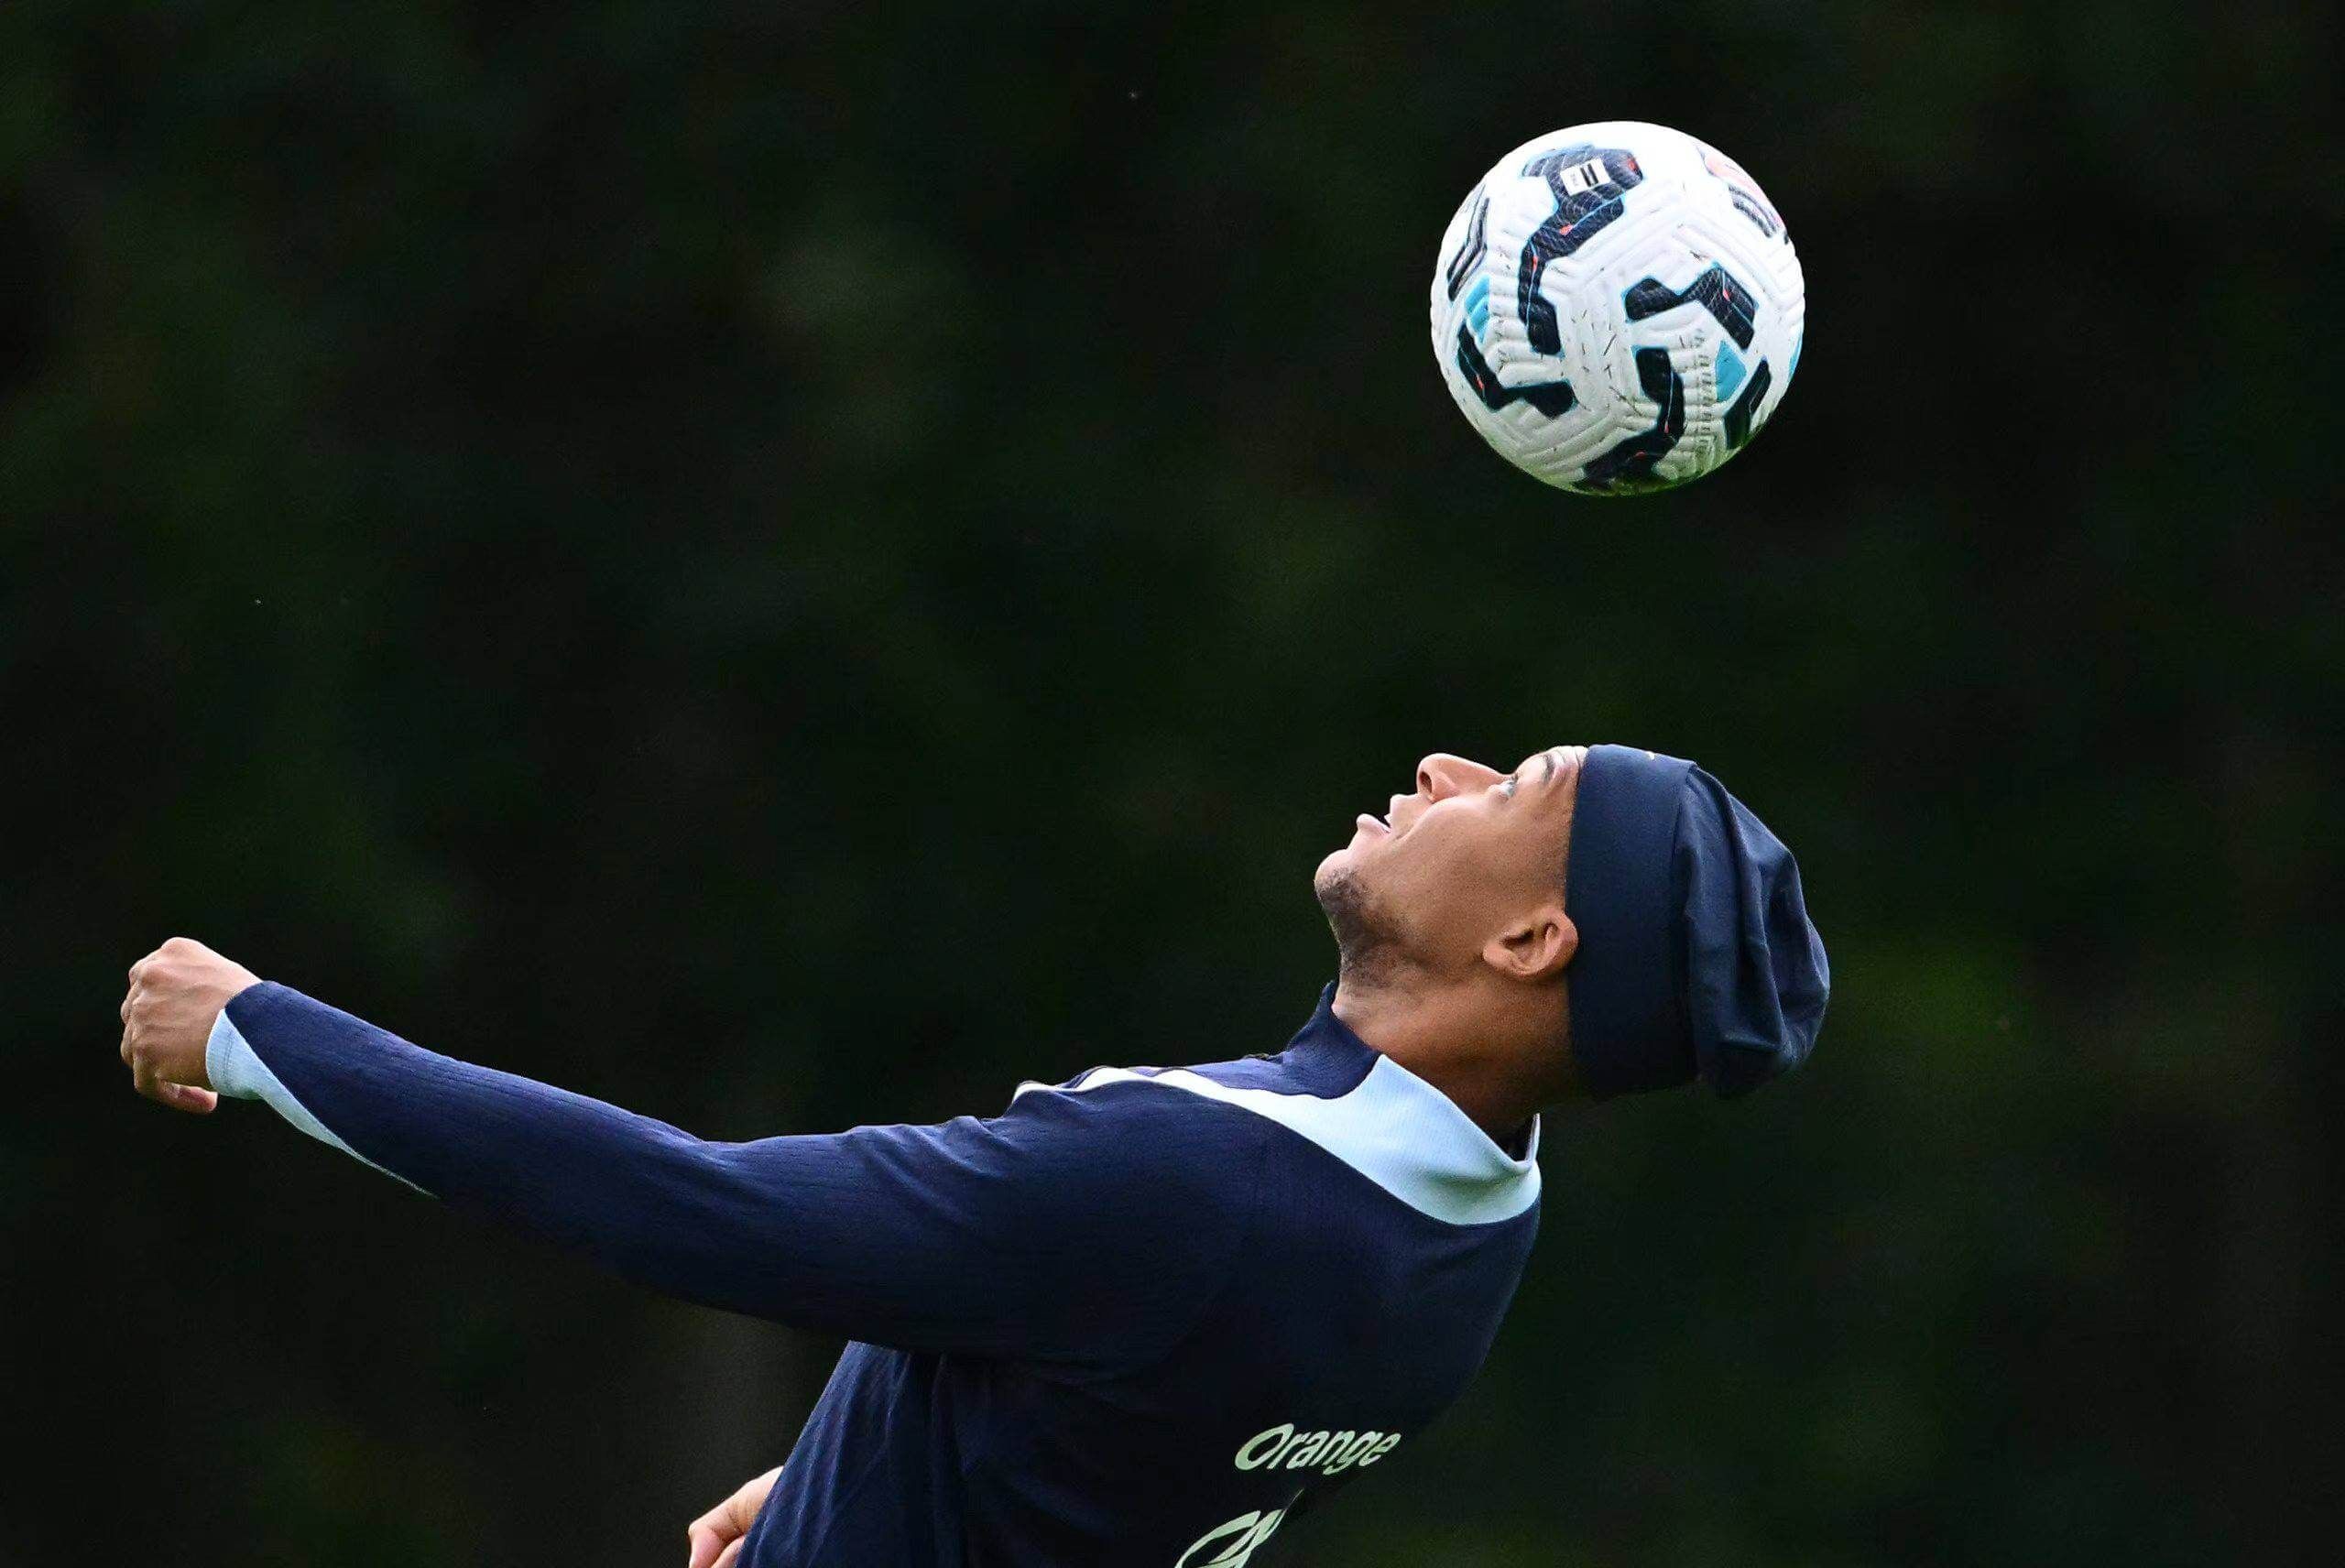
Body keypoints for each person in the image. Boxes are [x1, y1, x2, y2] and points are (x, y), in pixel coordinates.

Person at [115, 744, 1827, 1568]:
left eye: (1510, 783)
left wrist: (263, 1031)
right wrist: (864, 1475)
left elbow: (682, 1208)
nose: (1443, 768)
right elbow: (1138, 1441)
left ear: (1536, 944)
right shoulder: (1481, 1217)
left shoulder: (1196, 1181)